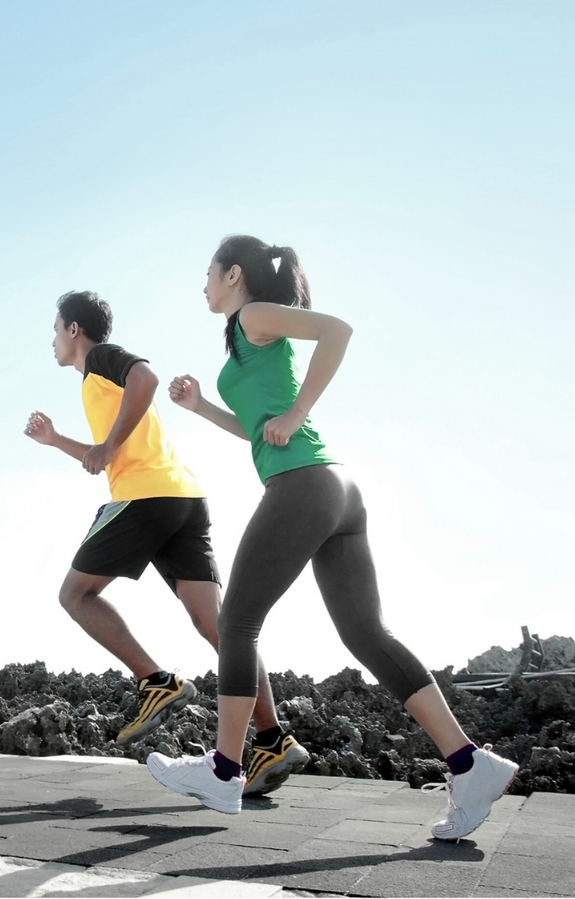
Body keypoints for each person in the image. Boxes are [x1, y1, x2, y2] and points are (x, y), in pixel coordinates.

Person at [146, 236, 519, 836]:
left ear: (234, 274)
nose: (204, 284)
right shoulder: (247, 336)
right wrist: (202, 409)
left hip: (304, 486)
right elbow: (259, 431)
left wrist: (296, 414)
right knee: (367, 634)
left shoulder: (252, 314)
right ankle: (469, 762)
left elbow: (338, 330)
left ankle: (222, 770)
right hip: (333, 488)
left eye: (208, 273)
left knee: (236, 621)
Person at [24, 289, 308, 794]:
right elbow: (102, 457)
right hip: (182, 498)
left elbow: (146, 379)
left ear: (74, 330)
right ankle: (272, 739)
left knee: (74, 595)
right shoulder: (97, 385)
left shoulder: (100, 360)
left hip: (145, 498)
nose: (52, 341)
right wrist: (57, 442)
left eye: (55, 330)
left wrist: (108, 445)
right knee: (219, 628)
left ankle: (156, 683)